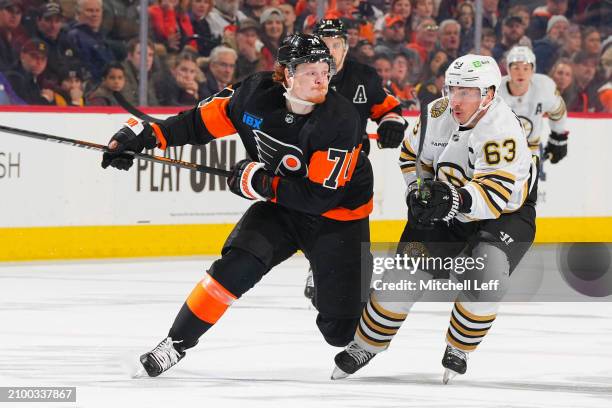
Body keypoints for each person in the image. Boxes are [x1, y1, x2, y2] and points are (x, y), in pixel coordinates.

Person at [101, 33, 375, 377]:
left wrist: (258, 182)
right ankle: (175, 344)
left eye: (326, 69)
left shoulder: (340, 119)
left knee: (339, 333)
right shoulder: (253, 95)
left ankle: (352, 289)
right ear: (287, 73)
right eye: (310, 70)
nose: (321, 78)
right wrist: (147, 136)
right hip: (282, 209)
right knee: (233, 268)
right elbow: (196, 123)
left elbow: (320, 196)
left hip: (337, 217)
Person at [331, 54, 538, 384]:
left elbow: (494, 197)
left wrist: (451, 199)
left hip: (504, 216)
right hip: (446, 205)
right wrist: (418, 190)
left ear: (489, 94)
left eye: (467, 92)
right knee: (401, 280)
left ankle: (460, 347)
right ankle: (365, 344)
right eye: (452, 88)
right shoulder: (435, 113)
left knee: (488, 272)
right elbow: (411, 155)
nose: (455, 99)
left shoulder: (501, 131)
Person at [301, 19, 408, 300]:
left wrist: (391, 122)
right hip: (310, 164)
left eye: (336, 45)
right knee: (314, 217)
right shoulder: (301, 74)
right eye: (324, 45)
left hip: (352, 165)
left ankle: (361, 275)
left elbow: (388, 108)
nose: (330, 50)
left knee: (357, 223)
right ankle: (318, 267)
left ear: (346, 48)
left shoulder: (364, 77)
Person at [498, 46, 568, 164]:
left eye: (526, 68)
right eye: (516, 68)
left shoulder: (544, 87)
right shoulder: (495, 91)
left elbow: (558, 111)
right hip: (499, 151)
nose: (521, 73)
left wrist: (558, 136)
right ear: (508, 69)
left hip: (531, 152)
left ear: (532, 70)